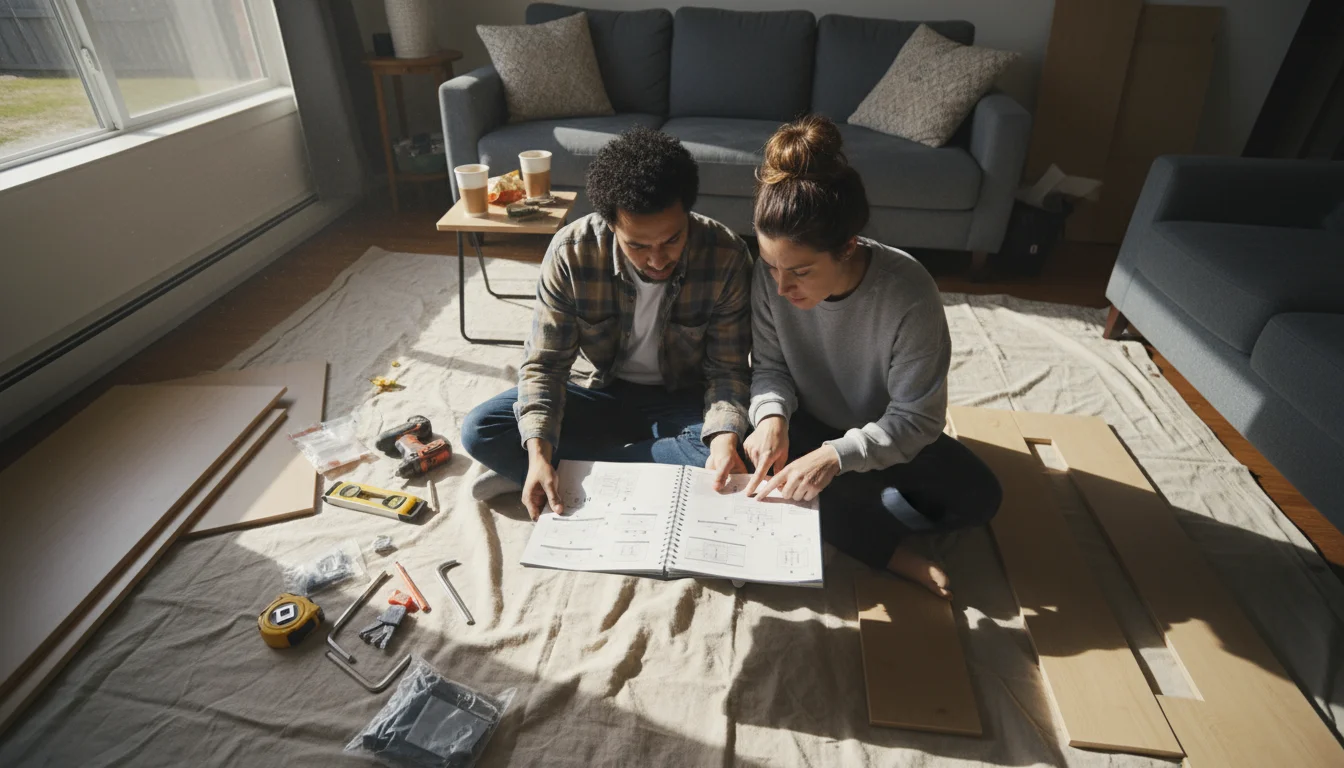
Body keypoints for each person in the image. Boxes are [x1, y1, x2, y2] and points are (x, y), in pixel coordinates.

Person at [743, 115, 1002, 598]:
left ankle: (840, 517)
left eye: (799, 271)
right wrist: (771, 417)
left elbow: (917, 419)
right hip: (806, 424)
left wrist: (836, 457)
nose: (781, 286)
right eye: (771, 265)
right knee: (730, 443)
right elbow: (771, 369)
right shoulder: (770, 276)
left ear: (848, 247)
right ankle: (885, 549)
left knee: (978, 498)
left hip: (879, 432)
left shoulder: (907, 292)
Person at [461, 127, 753, 520]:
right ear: (610, 224)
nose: (657, 259)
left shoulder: (727, 254)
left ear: (688, 214)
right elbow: (545, 366)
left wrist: (722, 445)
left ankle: (570, 473)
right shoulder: (572, 252)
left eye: (671, 239)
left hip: (685, 400)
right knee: (483, 428)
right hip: (600, 392)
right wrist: (538, 453)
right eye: (637, 245)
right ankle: (582, 469)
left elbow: (728, 371)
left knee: (730, 445)